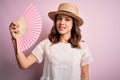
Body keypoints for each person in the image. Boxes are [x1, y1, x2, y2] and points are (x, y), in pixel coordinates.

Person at [9, 3, 94, 80]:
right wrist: (16, 40)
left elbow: (84, 76)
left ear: (73, 24)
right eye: (59, 19)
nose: (62, 22)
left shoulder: (82, 47)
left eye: (67, 19)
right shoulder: (46, 44)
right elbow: (24, 64)